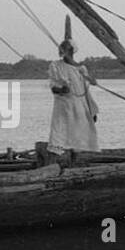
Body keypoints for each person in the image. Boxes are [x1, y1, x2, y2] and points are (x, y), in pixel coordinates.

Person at [47, 18, 100, 163]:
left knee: (78, 137)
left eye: (66, 49)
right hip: (63, 107)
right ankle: (54, 165)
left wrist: (91, 111)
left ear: (71, 50)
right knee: (58, 135)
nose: (63, 52)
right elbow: (53, 87)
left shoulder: (81, 69)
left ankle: (74, 165)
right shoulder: (55, 66)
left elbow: (87, 91)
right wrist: (61, 89)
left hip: (79, 107)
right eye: (62, 49)